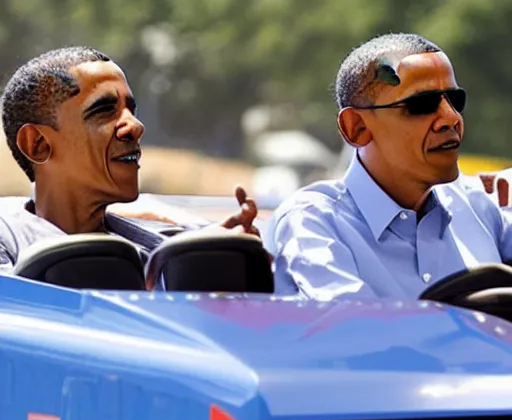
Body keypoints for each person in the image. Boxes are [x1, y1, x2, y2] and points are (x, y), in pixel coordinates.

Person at [267, 32, 512, 301]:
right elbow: (356, 332)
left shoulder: (481, 207)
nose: (450, 118)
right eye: (422, 104)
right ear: (356, 128)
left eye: (455, 100)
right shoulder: (314, 223)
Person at [0, 47, 258, 271]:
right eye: (103, 111)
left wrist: (218, 261)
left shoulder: (164, 243)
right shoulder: (9, 242)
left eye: (130, 110)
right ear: (38, 144)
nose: (135, 126)